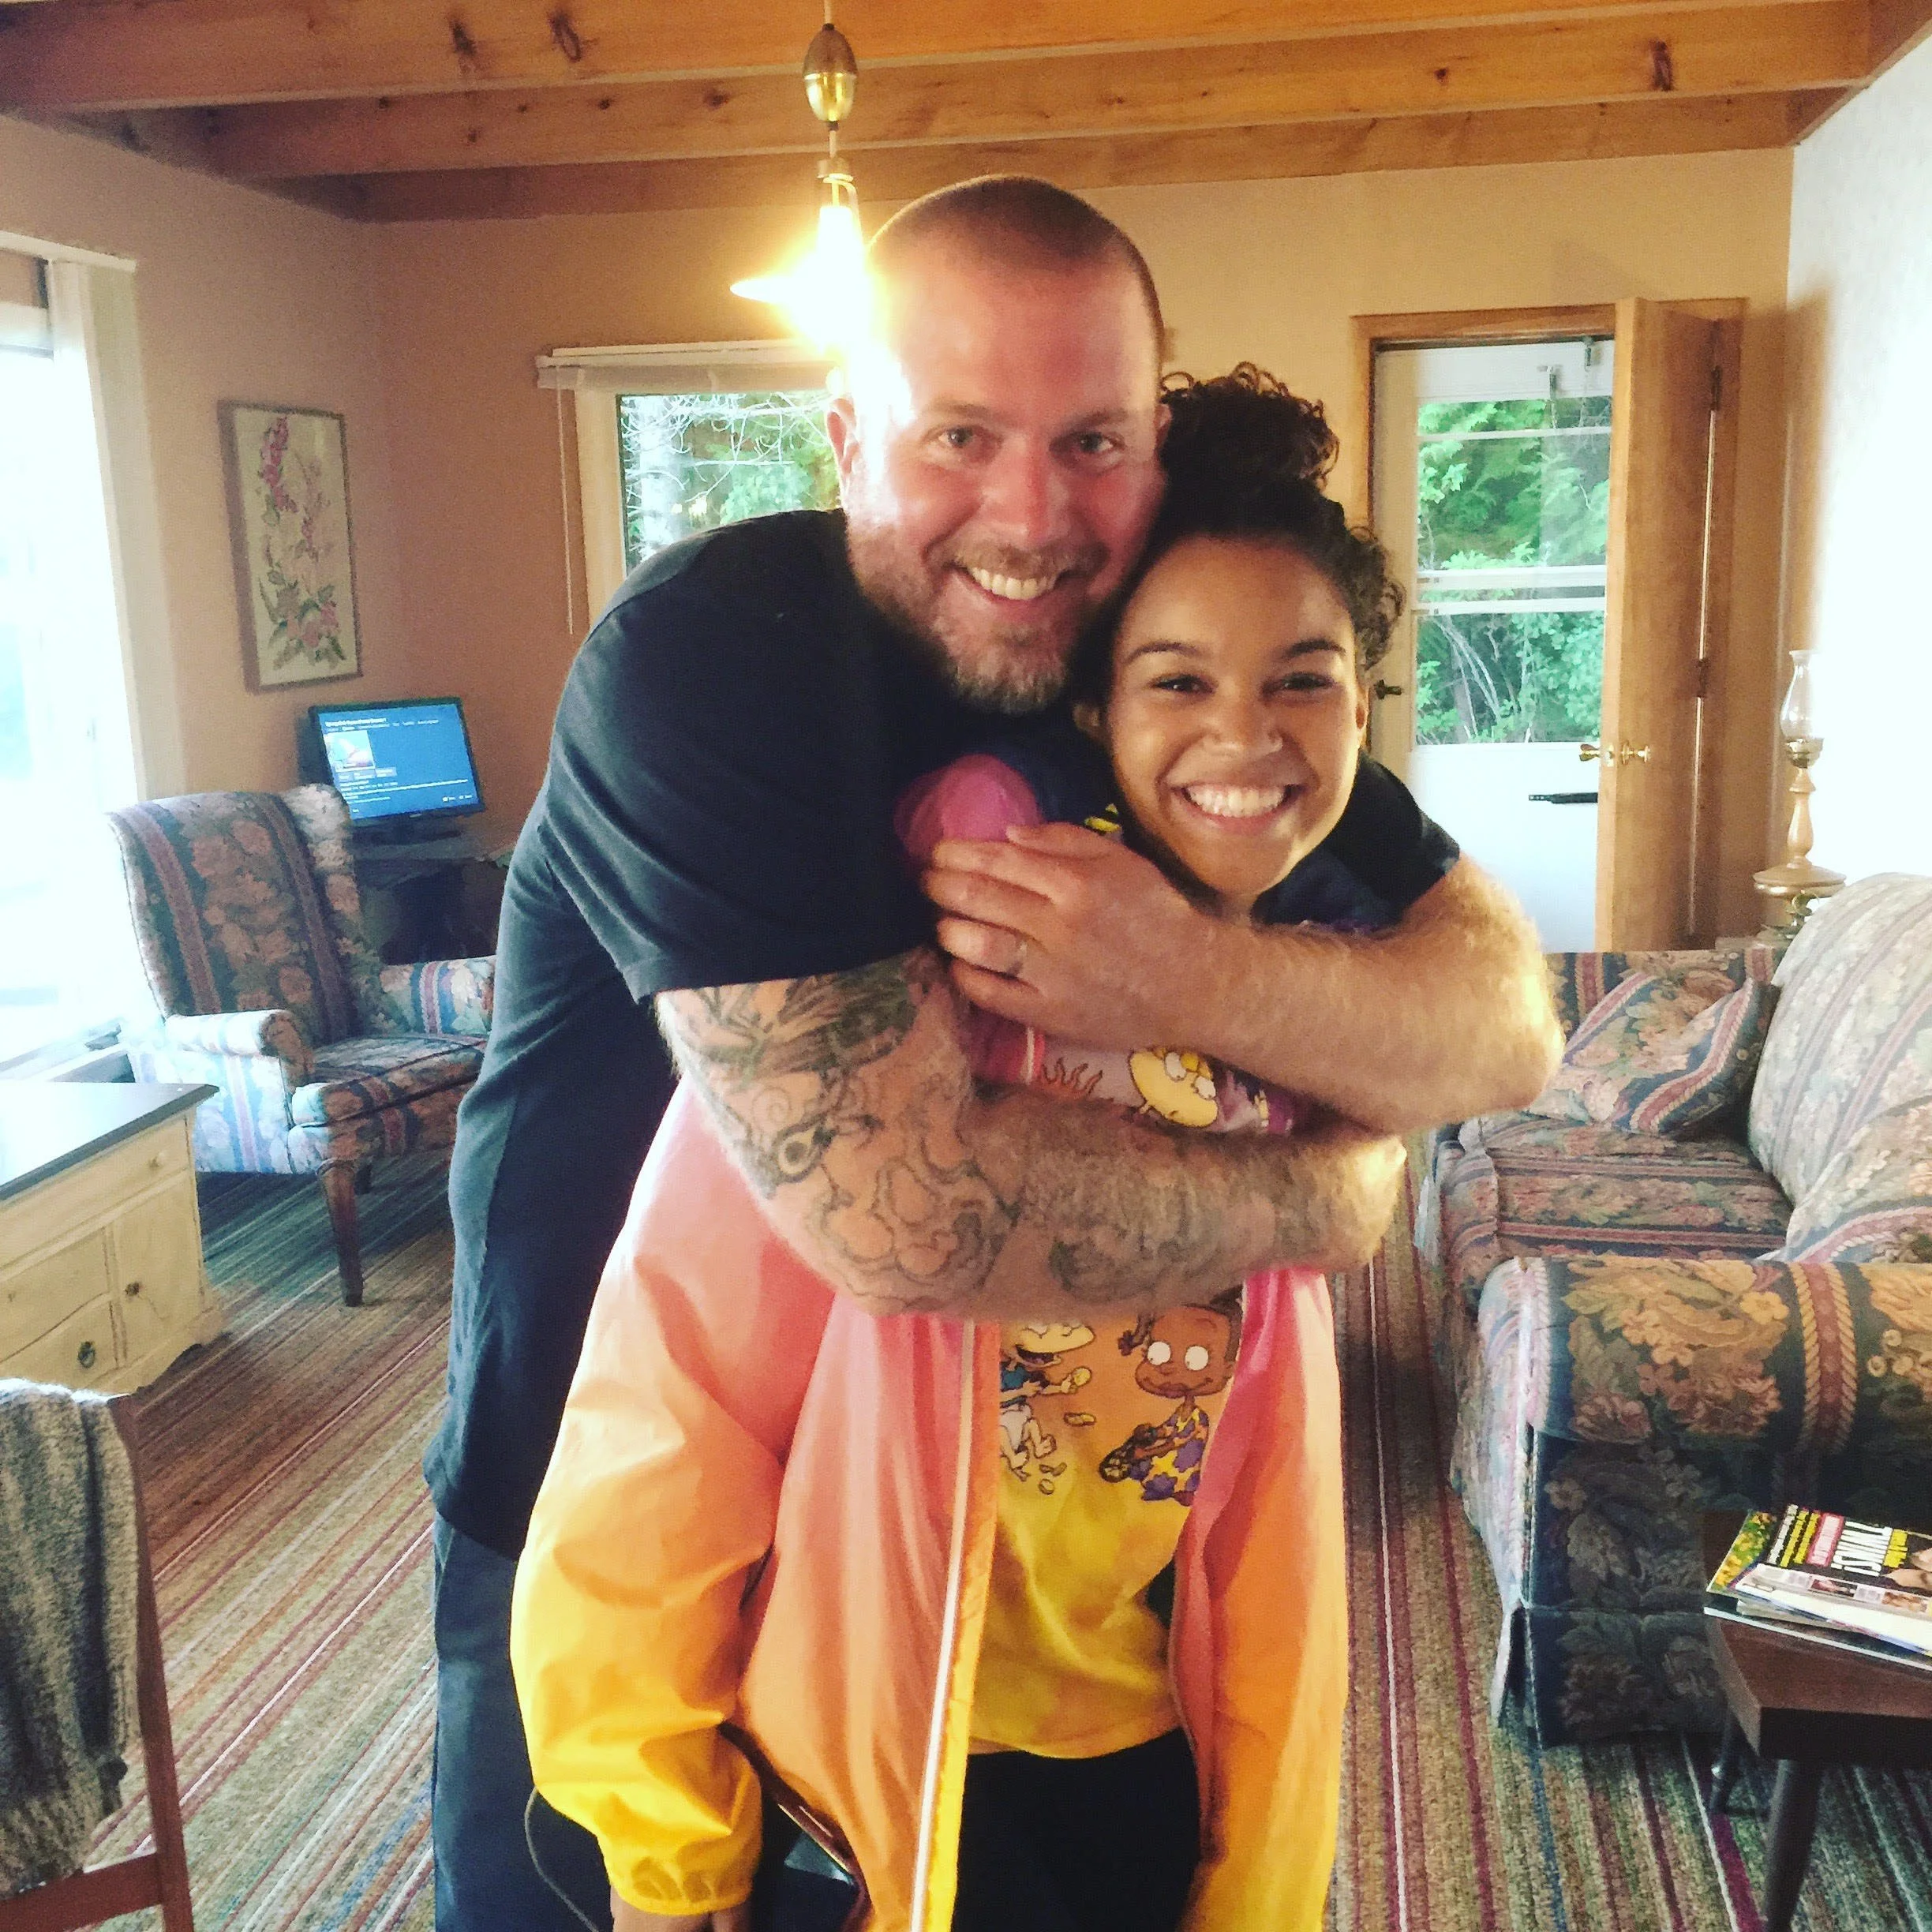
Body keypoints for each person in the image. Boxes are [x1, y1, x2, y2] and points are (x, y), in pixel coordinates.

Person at [426, 175, 1560, 1930]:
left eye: (1091, 440)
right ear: (848, 432)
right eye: (960, 434)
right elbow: (905, 1222)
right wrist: (1324, 1202)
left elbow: (1501, 1022)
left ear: (1155, 443)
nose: (1031, 513)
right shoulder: (721, 658)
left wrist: (1182, 969)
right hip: (619, 1536)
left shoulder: (1168, 668)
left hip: (1048, 1581)